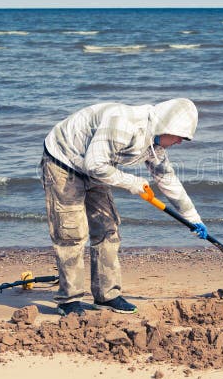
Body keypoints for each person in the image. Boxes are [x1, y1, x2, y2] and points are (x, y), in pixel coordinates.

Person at [40, 98, 208, 316]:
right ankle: (69, 301)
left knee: (108, 229)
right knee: (72, 233)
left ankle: (106, 295)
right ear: (167, 126)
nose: (180, 142)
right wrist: (132, 183)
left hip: (95, 165)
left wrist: (193, 217)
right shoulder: (122, 125)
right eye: (180, 136)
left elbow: (167, 179)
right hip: (63, 161)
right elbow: (95, 165)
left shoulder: (154, 144)